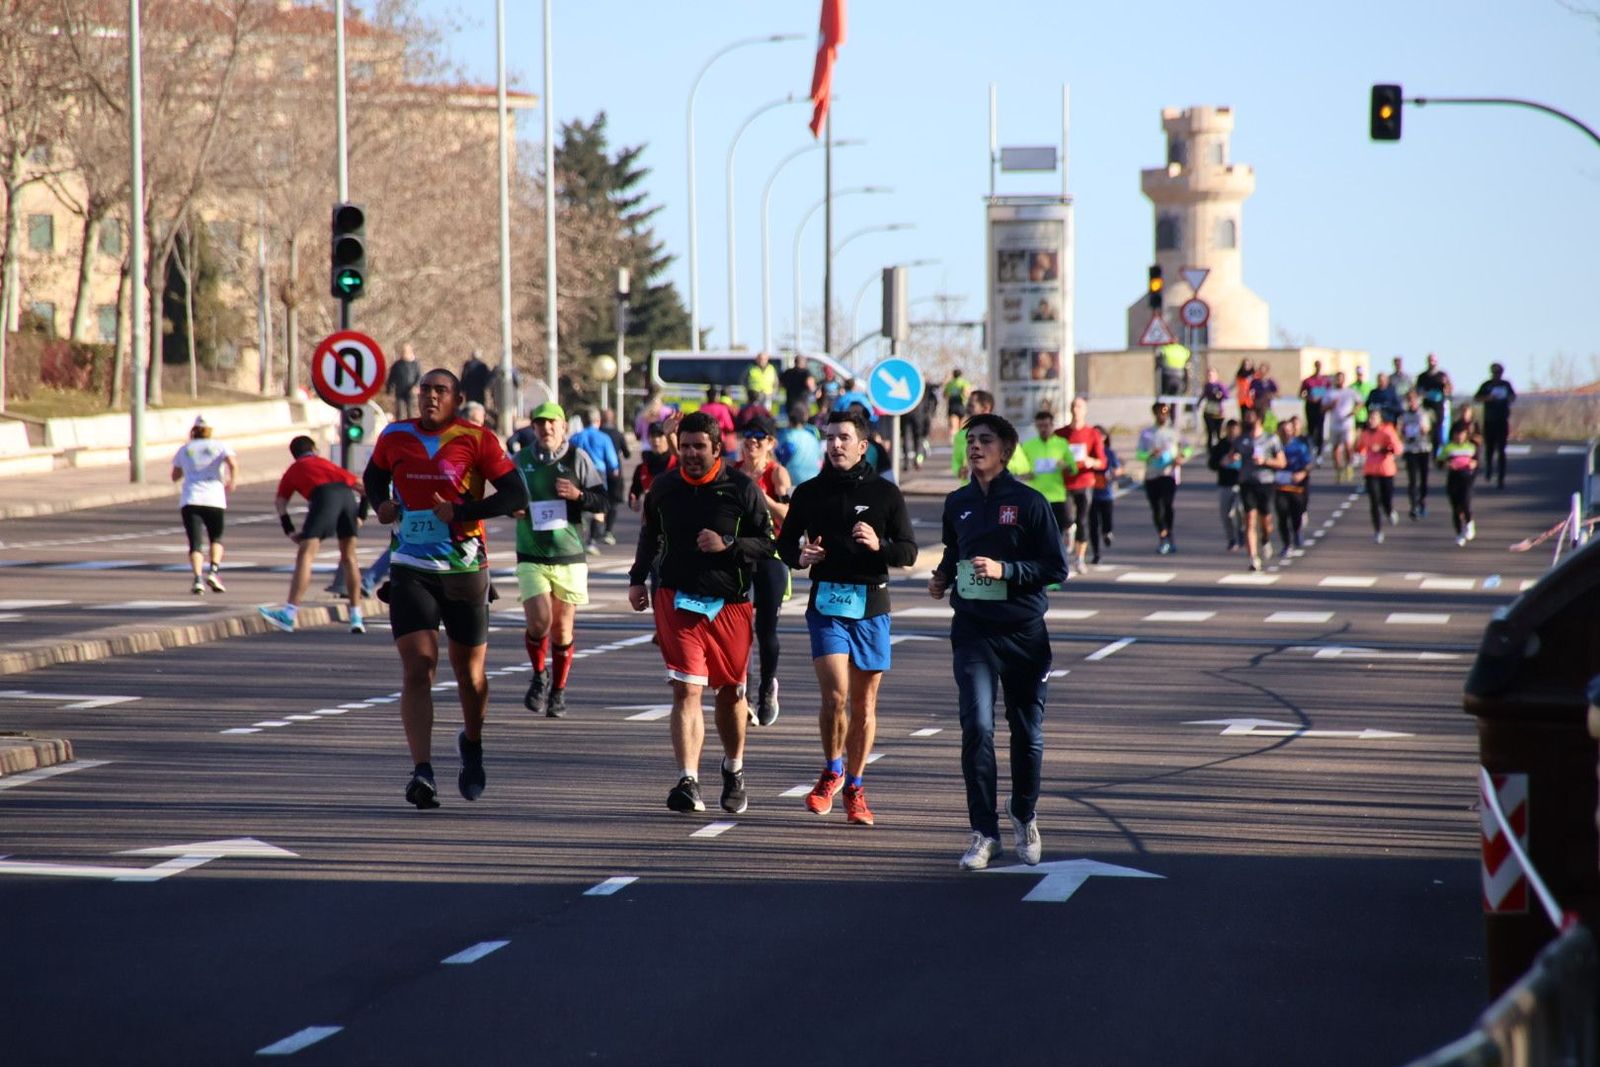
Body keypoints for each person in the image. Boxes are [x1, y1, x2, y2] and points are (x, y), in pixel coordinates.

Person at [363, 368, 529, 809]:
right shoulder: (395, 435)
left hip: (464, 569)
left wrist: (463, 511)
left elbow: (515, 495)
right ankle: (422, 771)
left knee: (470, 677)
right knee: (418, 666)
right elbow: (373, 476)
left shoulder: (478, 439)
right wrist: (380, 503)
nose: (430, 398)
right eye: (425, 391)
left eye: (440, 391)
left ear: (457, 397)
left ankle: (472, 743)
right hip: (410, 566)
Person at [929, 413, 1068, 871]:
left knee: (1028, 735)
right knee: (978, 728)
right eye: (970, 440)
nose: (975, 447)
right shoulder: (958, 501)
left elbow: (1055, 568)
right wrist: (943, 577)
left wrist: (1007, 571)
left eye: (985, 440)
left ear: (1005, 451)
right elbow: (956, 549)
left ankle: (1023, 813)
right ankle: (983, 832)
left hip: (1025, 634)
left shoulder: (1030, 503)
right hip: (973, 632)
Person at [626, 411, 774, 815]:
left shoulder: (741, 488)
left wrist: (728, 544)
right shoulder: (664, 487)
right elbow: (649, 534)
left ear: (715, 449)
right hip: (678, 600)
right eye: (685, 446)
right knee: (686, 689)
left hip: (730, 605)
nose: (691, 454)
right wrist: (638, 579)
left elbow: (768, 543)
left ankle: (733, 768)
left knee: (729, 694)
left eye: (699, 447)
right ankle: (687, 780)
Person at [777, 408, 918, 826]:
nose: (835, 445)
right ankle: (832, 769)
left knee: (865, 703)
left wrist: (879, 545)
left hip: (872, 604)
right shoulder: (808, 492)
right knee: (835, 696)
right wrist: (799, 557)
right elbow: (784, 546)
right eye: (830, 438)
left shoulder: (886, 494)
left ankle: (855, 785)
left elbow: (908, 552)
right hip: (827, 605)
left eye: (843, 438)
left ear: (863, 445)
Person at [509, 401, 608, 718]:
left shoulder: (577, 458)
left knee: (562, 630)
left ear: (564, 426)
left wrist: (578, 496)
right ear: (533, 427)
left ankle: (559, 691)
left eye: (552, 423)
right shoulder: (520, 460)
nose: (546, 429)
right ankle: (539, 675)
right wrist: (512, 507)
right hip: (531, 552)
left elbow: (603, 499)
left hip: (568, 553)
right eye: (540, 423)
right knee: (539, 622)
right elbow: (501, 496)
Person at [259, 435, 368, 633]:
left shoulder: (294, 469)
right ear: (314, 449)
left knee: (305, 555)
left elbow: (281, 502)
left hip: (324, 497)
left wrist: (289, 529)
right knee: (350, 558)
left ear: (294, 455)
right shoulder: (326, 463)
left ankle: (289, 614)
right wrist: (361, 516)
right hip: (346, 497)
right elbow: (362, 487)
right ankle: (356, 616)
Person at [738, 413, 792, 728]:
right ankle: (741, 690)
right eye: (747, 437)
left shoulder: (777, 473)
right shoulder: (731, 471)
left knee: (765, 629)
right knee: (739, 626)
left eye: (759, 438)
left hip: (771, 555)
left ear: (770, 443)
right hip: (738, 556)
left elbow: (789, 516)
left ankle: (767, 686)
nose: (752, 443)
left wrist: (763, 498)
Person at [171, 415, 237, 596]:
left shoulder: (185, 449)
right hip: (214, 498)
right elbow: (233, 463)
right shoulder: (219, 446)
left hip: (190, 499)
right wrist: (232, 481)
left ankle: (198, 578)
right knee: (216, 538)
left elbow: (175, 476)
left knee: (195, 543)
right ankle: (214, 571)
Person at [1021, 409, 1077, 571]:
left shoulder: (1061, 444)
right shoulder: (1029, 445)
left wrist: (1065, 466)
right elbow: (1022, 469)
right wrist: (1026, 474)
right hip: (1036, 497)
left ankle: (1055, 571)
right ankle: (1041, 568)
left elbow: (1073, 468)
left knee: (1055, 536)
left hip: (1057, 496)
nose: (1044, 429)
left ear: (1052, 426)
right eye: (1040, 426)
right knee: (1037, 536)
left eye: (1046, 425)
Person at [1229, 407, 1285, 571]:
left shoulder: (1271, 439)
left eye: (1250, 416)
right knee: (1249, 520)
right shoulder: (1241, 440)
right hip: (1247, 483)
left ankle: (1266, 539)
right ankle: (1253, 557)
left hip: (1266, 482)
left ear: (1258, 418)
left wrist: (1265, 461)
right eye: (1246, 416)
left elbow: (1282, 462)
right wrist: (1232, 458)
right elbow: (1230, 456)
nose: (1247, 419)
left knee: (1266, 521)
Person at [1054, 397, 1106, 572]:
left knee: (1083, 520)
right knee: (1067, 519)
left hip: (1084, 482)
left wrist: (1091, 461)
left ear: (1085, 410)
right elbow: (1052, 455)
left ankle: (1079, 558)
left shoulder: (1092, 434)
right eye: (1073, 406)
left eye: (1079, 406)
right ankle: (1070, 530)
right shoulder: (1060, 434)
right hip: (1064, 483)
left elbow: (1102, 462)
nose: (1075, 409)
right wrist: (1058, 463)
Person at [1136, 401, 1190, 555]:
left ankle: (1169, 535)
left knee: (1167, 505)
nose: (1162, 415)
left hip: (1169, 474)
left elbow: (1187, 447)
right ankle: (1162, 534)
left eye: (1165, 412)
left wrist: (1181, 456)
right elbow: (1139, 454)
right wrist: (1150, 454)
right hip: (1152, 475)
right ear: (1155, 414)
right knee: (1156, 508)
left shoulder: (1174, 431)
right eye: (1159, 412)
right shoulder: (1147, 433)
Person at [570, 409, 622, 552]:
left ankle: (579, 532)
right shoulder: (603, 438)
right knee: (599, 506)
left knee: (579, 501)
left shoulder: (575, 437)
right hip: (598, 473)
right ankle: (591, 542)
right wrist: (614, 469)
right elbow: (612, 460)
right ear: (598, 421)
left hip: (578, 472)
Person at [954, 390, 1030, 481]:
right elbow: (955, 462)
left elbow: (1023, 466)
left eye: (971, 406)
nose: (967, 409)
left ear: (985, 408)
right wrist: (959, 470)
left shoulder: (1004, 434)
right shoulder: (961, 435)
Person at [1356, 408, 1402, 543]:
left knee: (1386, 500)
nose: (1371, 421)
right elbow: (1360, 448)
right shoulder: (1365, 434)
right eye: (1369, 418)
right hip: (1371, 471)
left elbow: (1398, 449)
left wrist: (1382, 449)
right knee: (1374, 501)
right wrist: (1358, 445)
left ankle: (1389, 511)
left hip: (1386, 471)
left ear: (1380, 420)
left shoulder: (1387, 431)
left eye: (1374, 418)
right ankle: (1378, 530)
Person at [1273, 415, 1313, 557]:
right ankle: (1286, 544)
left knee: (1296, 514)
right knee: (1282, 515)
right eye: (1283, 430)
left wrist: (1301, 474)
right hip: (1280, 487)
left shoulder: (1299, 446)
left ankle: (1297, 531)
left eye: (1288, 430)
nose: (1286, 432)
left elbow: (1308, 463)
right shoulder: (1274, 446)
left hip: (1296, 487)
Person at [1475, 363, 1517, 489]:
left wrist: (1508, 398)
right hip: (1489, 420)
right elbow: (1477, 397)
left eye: (1499, 372)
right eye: (1494, 372)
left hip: (1502, 420)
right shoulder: (1487, 385)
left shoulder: (1506, 384)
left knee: (1502, 450)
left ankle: (1501, 477)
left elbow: (1513, 396)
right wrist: (1488, 398)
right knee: (1489, 449)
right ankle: (1488, 469)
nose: (1497, 375)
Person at [1397, 391, 1435, 520]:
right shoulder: (1403, 416)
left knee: (1423, 480)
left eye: (1414, 400)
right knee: (1412, 480)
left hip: (1423, 448)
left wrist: (1422, 429)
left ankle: (1422, 502)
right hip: (1410, 449)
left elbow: (1427, 429)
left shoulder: (1423, 414)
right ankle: (1413, 506)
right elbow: (1399, 431)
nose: (1412, 403)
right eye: (1409, 400)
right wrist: (1403, 432)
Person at [1440, 421, 1479, 546]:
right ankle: (1459, 534)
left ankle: (1469, 523)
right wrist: (1446, 464)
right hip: (1453, 479)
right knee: (1456, 508)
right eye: (1457, 434)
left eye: (1462, 434)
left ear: (1466, 435)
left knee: (1465, 503)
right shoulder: (1448, 448)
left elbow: (1477, 462)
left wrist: (1474, 464)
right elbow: (1439, 462)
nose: (1459, 436)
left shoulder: (1471, 447)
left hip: (1466, 478)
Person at [1208, 417, 1244, 551]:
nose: (1232, 432)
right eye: (1230, 429)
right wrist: (1222, 462)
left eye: (1235, 429)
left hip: (1241, 484)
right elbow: (1212, 464)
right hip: (1225, 484)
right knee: (1226, 514)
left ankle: (1241, 531)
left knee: (1240, 509)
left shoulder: (1243, 444)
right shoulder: (1221, 445)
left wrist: (1241, 461)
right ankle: (1231, 539)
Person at [1089, 425, 1123, 565]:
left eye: (1100, 435)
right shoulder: (1088, 453)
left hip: (1106, 494)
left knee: (1106, 521)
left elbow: (1118, 469)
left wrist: (1114, 474)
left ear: (1105, 437)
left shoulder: (1109, 452)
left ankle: (1107, 533)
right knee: (1092, 525)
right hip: (1090, 494)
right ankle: (1096, 553)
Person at [598, 409, 631, 542]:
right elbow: (627, 453)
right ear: (613, 419)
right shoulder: (618, 434)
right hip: (614, 472)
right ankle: (608, 531)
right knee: (613, 503)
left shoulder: (598, 433)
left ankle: (595, 531)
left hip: (598, 472)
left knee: (598, 500)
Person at [629, 420, 678, 510]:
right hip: (650, 520)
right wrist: (633, 503)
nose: (656, 440)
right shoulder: (642, 468)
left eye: (660, 435)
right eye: (653, 436)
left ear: (667, 437)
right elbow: (634, 493)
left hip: (674, 518)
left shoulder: (678, 464)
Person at [1322, 370, 1360, 483]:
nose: (1338, 380)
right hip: (1334, 423)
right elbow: (1323, 408)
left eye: (1340, 378)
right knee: (1336, 448)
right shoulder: (1330, 393)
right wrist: (1331, 405)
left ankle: (1348, 466)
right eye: (1336, 378)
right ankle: (1338, 470)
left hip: (1347, 423)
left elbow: (1360, 402)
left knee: (1348, 446)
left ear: (1344, 379)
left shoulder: (1350, 391)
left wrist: (1354, 411)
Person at [776, 403, 823, 487]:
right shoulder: (812, 436)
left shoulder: (788, 435)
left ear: (789, 419)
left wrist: (780, 462)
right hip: (815, 477)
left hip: (794, 480)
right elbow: (820, 458)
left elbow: (787, 451)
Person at [1417, 353, 1453, 450]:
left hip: (1439, 407)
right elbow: (1418, 391)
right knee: (1426, 430)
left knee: (1438, 432)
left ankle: (1438, 453)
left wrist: (1446, 384)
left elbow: (1450, 389)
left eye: (1433, 360)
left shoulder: (1442, 375)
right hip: (1426, 407)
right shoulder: (1422, 376)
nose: (1432, 363)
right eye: (1430, 360)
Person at [1298, 360, 1331, 461]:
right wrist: (1309, 398)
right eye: (1317, 366)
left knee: (1320, 428)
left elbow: (1329, 393)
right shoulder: (1308, 380)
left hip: (1321, 407)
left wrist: (1322, 398)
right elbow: (1300, 394)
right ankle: (1311, 448)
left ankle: (1319, 452)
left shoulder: (1326, 380)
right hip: (1310, 406)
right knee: (1311, 428)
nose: (1318, 367)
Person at [697, 385, 739, 460]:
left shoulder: (702, 408)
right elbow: (729, 426)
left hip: (705, 441)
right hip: (722, 442)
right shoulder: (721, 408)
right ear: (717, 396)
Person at [387, 343, 421, 420]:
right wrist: (389, 389)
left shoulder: (415, 364)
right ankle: (399, 428)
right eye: (403, 352)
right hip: (399, 391)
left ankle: (411, 429)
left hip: (411, 391)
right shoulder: (397, 364)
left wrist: (416, 386)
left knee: (410, 412)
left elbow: (419, 376)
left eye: (406, 351)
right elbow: (391, 377)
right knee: (400, 412)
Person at [1199, 367, 1229, 452]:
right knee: (1210, 432)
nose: (1210, 377)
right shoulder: (1207, 386)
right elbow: (1203, 395)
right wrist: (1198, 403)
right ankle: (1210, 450)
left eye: (1211, 375)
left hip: (1218, 413)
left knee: (1218, 432)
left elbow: (1226, 396)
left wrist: (1220, 395)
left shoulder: (1220, 385)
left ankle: (1219, 449)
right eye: (1208, 375)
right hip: (1208, 411)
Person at [1250, 362, 1280, 431]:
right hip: (1256, 406)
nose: (1260, 371)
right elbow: (1251, 392)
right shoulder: (1254, 382)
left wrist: (1270, 395)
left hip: (1266, 406)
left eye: (1262, 369)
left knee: (1265, 422)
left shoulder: (1270, 382)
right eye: (1260, 369)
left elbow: (1277, 393)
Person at [943, 368, 972, 439]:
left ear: (953, 375)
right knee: (963, 426)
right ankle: (962, 441)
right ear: (961, 375)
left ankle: (953, 442)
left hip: (952, 405)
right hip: (962, 405)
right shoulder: (964, 382)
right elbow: (967, 394)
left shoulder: (949, 384)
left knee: (953, 426)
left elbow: (945, 395)